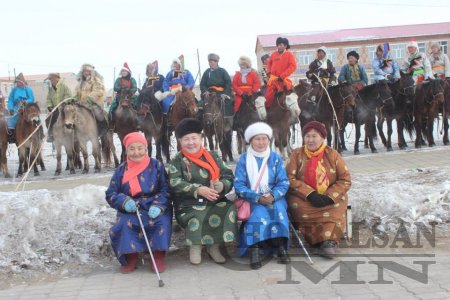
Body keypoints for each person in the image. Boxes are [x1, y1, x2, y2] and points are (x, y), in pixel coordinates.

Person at [168, 118, 236, 265]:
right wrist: (197, 189)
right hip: (188, 203)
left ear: (201, 138)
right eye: (186, 139)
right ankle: (195, 246)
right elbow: (174, 182)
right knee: (198, 213)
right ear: (180, 141)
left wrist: (222, 185)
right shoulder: (178, 160)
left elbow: (228, 175)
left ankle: (214, 246)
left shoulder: (213, 156)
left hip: (214, 199)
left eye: (194, 138)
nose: (191, 142)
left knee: (228, 209)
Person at [105, 132, 172, 274]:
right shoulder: (121, 170)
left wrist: (159, 205)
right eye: (132, 148)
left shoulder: (157, 165)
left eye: (140, 148)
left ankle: (157, 256)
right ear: (126, 150)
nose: (136, 152)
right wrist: (123, 201)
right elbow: (111, 193)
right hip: (131, 207)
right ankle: (131, 257)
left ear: (146, 148)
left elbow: (166, 188)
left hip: (153, 204)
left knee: (161, 221)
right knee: (124, 224)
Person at [286, 121, 351, 258]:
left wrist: (329, 196)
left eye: (314, 136)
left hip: (329, 197)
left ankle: (329, 242)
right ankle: (314, 242)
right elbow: (289, 178)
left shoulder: (332, 154)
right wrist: (310, 194)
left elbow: (345, 179)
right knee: (299, 207)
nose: (310, 140)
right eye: (307, 136)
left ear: (322, 137)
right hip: (303, 197)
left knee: (336, 206)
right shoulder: (297, 154)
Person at [233, 122, 290, 269]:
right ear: (250, 141)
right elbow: (239, 185)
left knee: (278, 210)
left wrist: (273, 196)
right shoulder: (244, 159)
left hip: (273, 197)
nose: (261, 142)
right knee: (257, 214)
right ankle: (255, 249)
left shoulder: (275, 158)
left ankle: (280, 245)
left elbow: (283, 182)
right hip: (251, 198)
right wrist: (257, 198)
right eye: (257, 139)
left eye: (264, 139)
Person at [74, 63, 107, 133]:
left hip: (93, 103)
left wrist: (89, 99)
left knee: (98, 113)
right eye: (84, 71)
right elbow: (77, 93)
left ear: (91, 72)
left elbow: (99, 90)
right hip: (80, 104)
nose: (86, 73)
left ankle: (103, 128)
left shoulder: (96, 80)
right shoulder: (80, 82)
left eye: (88, 71)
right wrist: (74, 98)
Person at [265, 37, 297, 108]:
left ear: (285, 46)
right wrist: (268, 72)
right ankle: (267, 110)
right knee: (268, 96)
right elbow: (269, 64)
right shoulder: (273, 54)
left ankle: (293, 114)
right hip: (273, 80)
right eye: (278, 45)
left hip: (283, 80)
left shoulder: (289, 54)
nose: (279, 46)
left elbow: (293, 66)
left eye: (281, 45)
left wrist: (282, 76)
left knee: (291, 96)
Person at [200, 53, 233, 117]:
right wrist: (205, 91)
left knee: (227, 104)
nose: (210, 64)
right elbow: (202, 84)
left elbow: (228, 83)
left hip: (221, 93)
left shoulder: (222, 71)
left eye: (212, 62)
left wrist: (225, 93)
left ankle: (227, 122)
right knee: (201, 105)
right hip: (209, 93)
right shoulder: (207, 72)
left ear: (216, 62)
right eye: (209, 62)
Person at [7, 73, 35, 143]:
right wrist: (11, 109)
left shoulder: (27, 89)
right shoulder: (14, 90)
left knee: (33, 118)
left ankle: (38, 131)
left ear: (22, 81)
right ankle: (12, 135)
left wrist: (25, 102)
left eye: (18, 82)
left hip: (27, 106)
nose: (17, 83)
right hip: (16, 107)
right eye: (16, 82)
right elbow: (10, 99)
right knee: (11, 119)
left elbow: (31, 98)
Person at [45, 73, 72, 142]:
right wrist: (49, 106)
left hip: (64, 108)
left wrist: (64, 103)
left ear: (57, 79)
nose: (51, 81)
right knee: (48, 120)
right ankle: (51, 134)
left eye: (52, 79)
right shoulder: (51, 90)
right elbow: (48, 99)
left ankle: (72, 131)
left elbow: (68, 95)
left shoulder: (64, 87)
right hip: (55, 109)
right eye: (50, 80)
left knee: (69, 117)